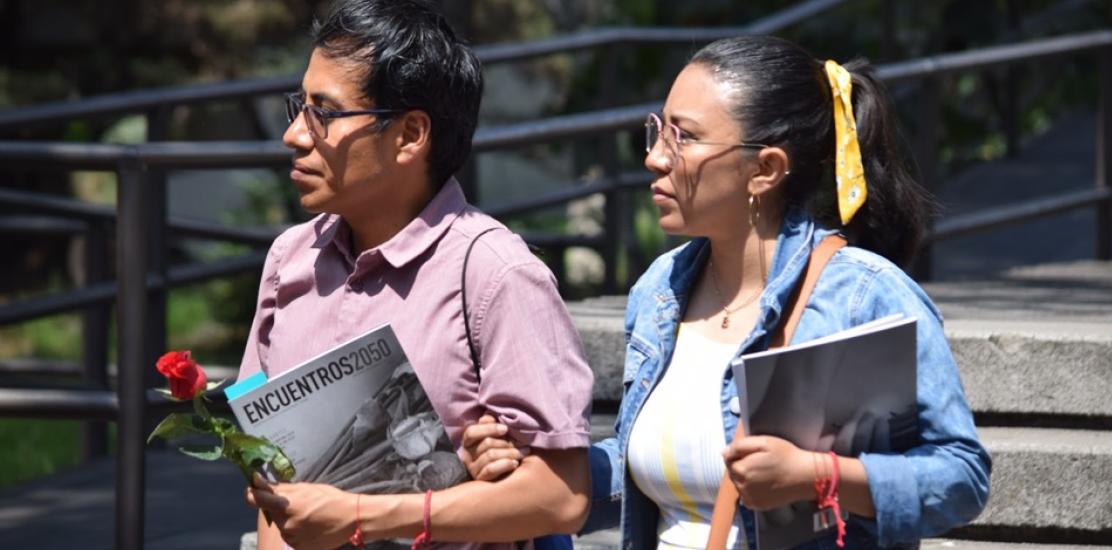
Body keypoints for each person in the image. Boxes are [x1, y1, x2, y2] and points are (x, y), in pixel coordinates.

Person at [461, 35, 992, 549]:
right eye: (658, 130)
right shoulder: (660, 289)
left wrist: (819, 475)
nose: (655, 158)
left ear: (765, 169)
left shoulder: (864, 295)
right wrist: (535, 467)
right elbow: (644, 468)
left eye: (684, 137)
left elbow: (961, 477)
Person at [239, 1, 593, 549]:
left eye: (323, 113)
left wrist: (359, 514)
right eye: (298, 106)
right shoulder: (290, 258)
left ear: (409, 135)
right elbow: (263, 457)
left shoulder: (496, 275)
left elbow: (561, 497)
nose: (294, 135)